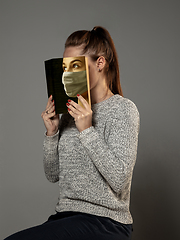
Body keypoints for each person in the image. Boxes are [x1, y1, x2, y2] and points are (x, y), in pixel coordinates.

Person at [4, 26, 140, 240]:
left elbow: (119, 180)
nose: (68, 73)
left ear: (100, 63)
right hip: (65, 217)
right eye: (65, 66)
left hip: (106, 222)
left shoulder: (123, 110)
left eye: (75, 65)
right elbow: (52, 175)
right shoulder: (70, 112)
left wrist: (87, 131)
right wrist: (52, 134)